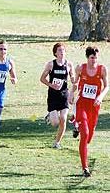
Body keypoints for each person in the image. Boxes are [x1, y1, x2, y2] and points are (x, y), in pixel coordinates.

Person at [68, 46, 108, 177]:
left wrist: (100, 96)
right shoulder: (81, 68)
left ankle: (76, 124)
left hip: (94, 106)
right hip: (82, 104)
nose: (94, 61)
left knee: (89, 137)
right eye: (92, 58)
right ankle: (85, 167)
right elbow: (75, 83)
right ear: (87, 58)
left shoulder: (102, 69)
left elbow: (107, 86)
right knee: (84, 135)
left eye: (95, 58)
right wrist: (70, 93)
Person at [40, 42, 75, 149]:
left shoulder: (69, 64)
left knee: (63, 119)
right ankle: (50, 116)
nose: (62, 52)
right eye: (59, 50)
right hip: (53, 96)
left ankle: (57, 142)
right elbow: (42, 79)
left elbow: (73, 77)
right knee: (55, 123)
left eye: (63, 50)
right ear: (55, 53)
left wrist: (74, 80)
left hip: (64, 95)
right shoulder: (51, 64)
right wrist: (51, 85)